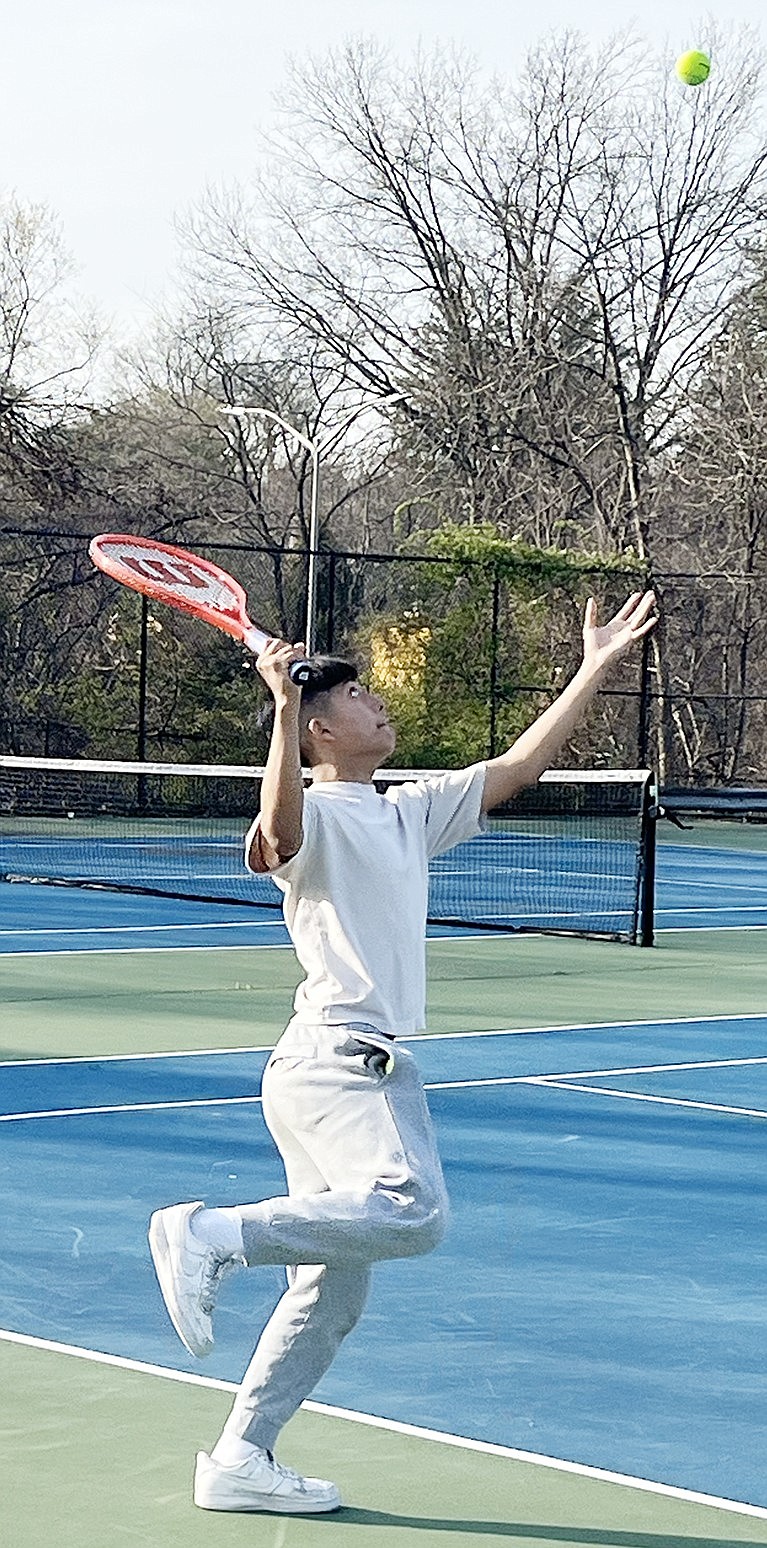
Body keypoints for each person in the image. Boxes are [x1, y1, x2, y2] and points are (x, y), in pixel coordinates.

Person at [148, 589, 656, 1516]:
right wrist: (279, 709)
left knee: (331, 1296)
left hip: (343, 1068)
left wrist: (593, 666)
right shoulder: (315, 812)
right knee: (413, 1212)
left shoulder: (409, 810)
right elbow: (275, 837)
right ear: (319, 733)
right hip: (340, 1062)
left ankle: (238, 1460)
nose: (375, 704)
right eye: (352, 700)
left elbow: (518, 766)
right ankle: (212, 1232)